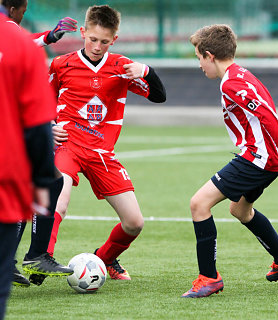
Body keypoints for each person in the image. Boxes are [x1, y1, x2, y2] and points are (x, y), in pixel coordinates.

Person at [183, 24, 278, 298]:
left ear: (209, 55)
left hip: (257, 159)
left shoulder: (232, 82)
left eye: (199, 59)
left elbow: (266, 114)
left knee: (198, 204)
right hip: (267, 158)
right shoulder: (241, 73)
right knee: (240, 210)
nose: (200, 65)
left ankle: (208, 278)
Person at [46, 4, 166, 281]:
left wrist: (146, 71)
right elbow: (43, 102)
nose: (97, 46)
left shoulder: (123, 68)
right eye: (92, 39)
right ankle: (44, 257)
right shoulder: (61, 64)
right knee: (59, 198)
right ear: (83, 32)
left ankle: (105, 260)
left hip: (101, 152)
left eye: (104, 41)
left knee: (134, 223)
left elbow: (159, 97)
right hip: (69, 146)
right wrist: (50, 126)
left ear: (114, 39)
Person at [3, 0, 78, 288]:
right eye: (23, 11)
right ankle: (33, 255)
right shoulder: (9, 29)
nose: (23, 17)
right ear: (13, 9)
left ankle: (17, 258)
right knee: (45, 180)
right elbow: (20, 43)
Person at [0, 7, 57, 319]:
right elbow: (38, 128)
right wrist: (43, 178)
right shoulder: (20, 44)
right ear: (17, 8)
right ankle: (35, 255)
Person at [2, 0, 77, 47]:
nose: (22, 17)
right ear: (12, 11)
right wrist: (50, 36)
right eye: (23, 12)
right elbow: (25, 42)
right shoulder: (10, 27)